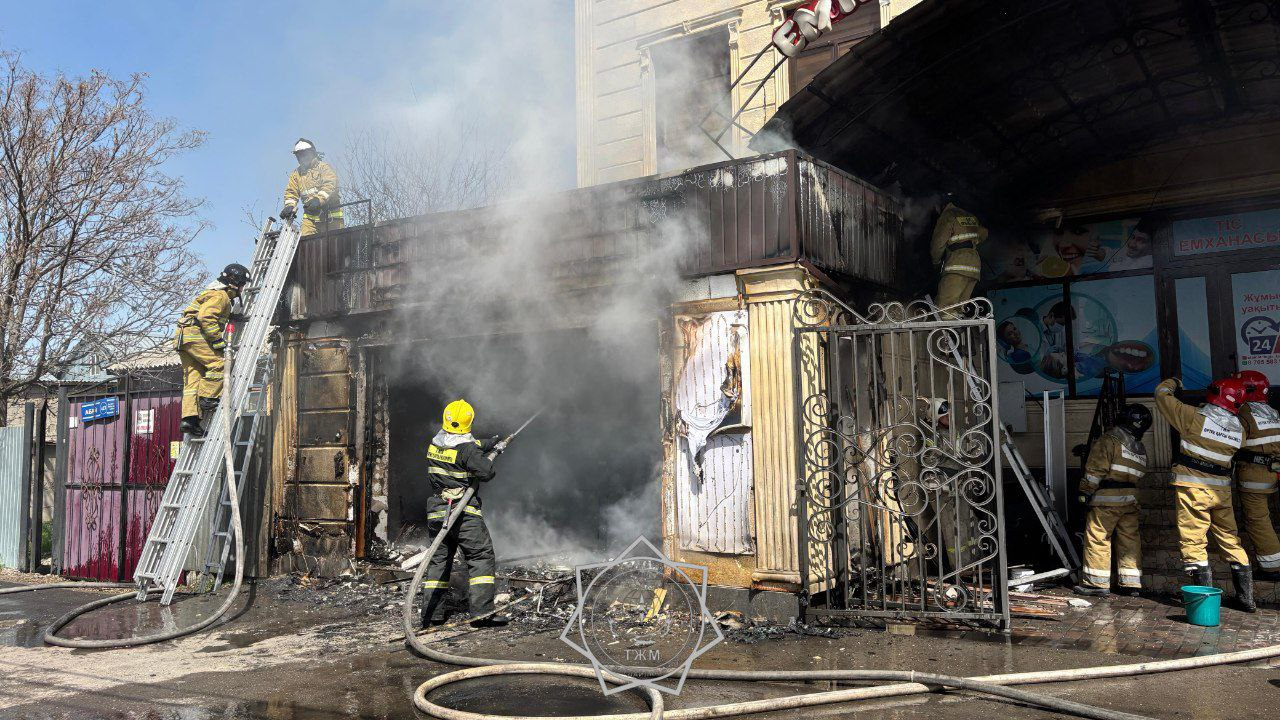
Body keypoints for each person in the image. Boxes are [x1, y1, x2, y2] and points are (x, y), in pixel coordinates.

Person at [1154, 375, 1256, 612]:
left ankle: (1204, 603)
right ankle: (1246, 600)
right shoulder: (1240, 431)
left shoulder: (1192, 418)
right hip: (1221, 492)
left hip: (1193, 489)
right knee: (1231, 539)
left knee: (1194, 541)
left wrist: (1175, 382)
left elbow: (1161, 394)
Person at [421, 399, 508, 627]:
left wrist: (492, 443)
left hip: (437, 511)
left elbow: (467, 447)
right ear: (469, 423)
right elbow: (486, 472)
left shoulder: (435, 444)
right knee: (480, 557)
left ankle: (432, 615)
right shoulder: (467, 450)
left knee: (439, 561)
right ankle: (481, 615)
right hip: (462, 513)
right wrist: (490, 455)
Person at [1074, 404, 1151, 596]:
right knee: (1129, 540)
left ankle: (1096, 584)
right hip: (1130, 501)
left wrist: (1084, 491)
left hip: (1107, 501)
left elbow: (1094, 472)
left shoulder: (1109, 440)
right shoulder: (1139, 447)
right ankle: (1131, 584)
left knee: (1098, 537)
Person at [175, 264, 251, 438]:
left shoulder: (212, 293)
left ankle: (190, 419)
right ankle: (207, 399)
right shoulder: (221, 295)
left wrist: (231, 317)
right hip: (195, 336)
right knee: (220, 364)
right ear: (235, 282)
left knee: (193, 377)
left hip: (183, 339)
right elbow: (206, 316)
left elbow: (205, 312)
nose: (243, 288)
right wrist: (217, 340)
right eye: (242, 284)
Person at [1232, 370, 1280, 579]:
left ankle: (1271, 567)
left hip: (1253, 475)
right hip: (1273, 472)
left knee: (1258, 519)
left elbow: (1234, 441)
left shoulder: (1244, 412)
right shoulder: (1272, 412)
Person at [930, 201, 987, 315]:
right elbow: (984, 233)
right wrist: (972, 243)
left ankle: (946, 332)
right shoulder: (970, 216)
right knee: (958, 310)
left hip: (957, 265)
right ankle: (957, 332)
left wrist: (935, 262)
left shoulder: (948, 215)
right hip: (974, 266)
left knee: (944, 309)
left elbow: (937, 244)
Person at [279, 138, 343, 236]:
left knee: (334, 246)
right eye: (299, 155)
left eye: (304, 154)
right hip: (310, 220)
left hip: (331, 217)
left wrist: (318, 199)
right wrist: (289, 206)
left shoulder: (324, 168)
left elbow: (330, 185)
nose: (301, 158)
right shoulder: (296, 175)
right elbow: (291, 193)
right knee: (306, 245)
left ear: (312, 153)